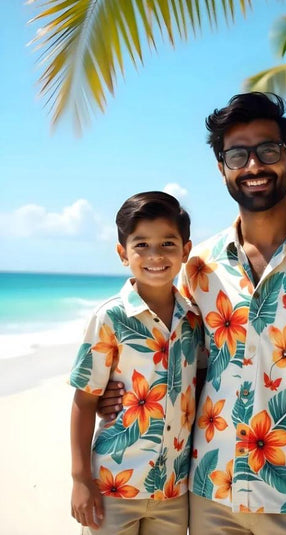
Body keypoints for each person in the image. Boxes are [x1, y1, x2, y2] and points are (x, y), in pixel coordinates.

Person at [98, 93, 286, 535]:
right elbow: (177, 356)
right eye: (237, 155)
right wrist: (111, 392)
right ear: (223, 168)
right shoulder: (198, 265)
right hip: (207, 493)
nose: (254, 166)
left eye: (268, 151)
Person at [70, 191, 204, 535]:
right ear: (122, 253)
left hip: (174, 489)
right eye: (141, 245)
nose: (155, 255)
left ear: (186, 251)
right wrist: (81, 480)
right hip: (113, 485)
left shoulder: (193, 319)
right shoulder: (110, 318)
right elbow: (84, 401)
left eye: (168, 244)